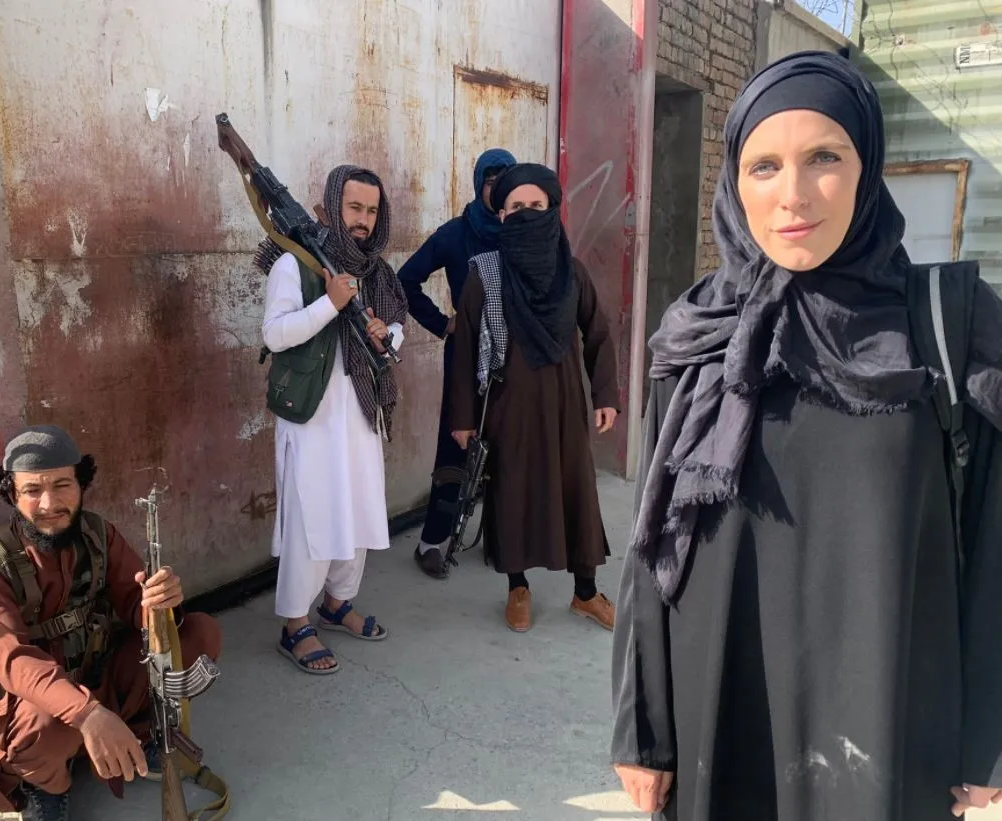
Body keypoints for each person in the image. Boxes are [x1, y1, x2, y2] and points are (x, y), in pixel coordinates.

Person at [610, 51, 1002, 820]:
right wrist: (641, 729)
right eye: (763, 166)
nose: (791, 194)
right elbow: (653, 541)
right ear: (734, 183)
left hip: (889, 715)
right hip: (716, 707)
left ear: (867, 167)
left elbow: (994, 538)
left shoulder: (948, 322)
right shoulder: (697, 335)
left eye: (823, 157)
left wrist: (985, 737)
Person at [0, 425, 223, 821]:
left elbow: (137, 605)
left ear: (81, 484)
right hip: (40, 702)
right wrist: (88, 713)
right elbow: (15, 663)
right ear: (11, 494)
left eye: (62, 485)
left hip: (99, 673)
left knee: (197, 634)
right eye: (32, 490)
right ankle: (46, 786)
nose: (49, 503)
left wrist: (161, 604)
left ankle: (137, 735)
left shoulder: (96, 534)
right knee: (39, 722)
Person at [448, 162, 620, 633]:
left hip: (565, 406)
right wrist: (463, 418)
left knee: (577, 491)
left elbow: (598, 333)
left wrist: (605, 394)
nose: (527, 213)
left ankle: (586, 592)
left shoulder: (572, 273)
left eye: (536, 205)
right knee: (512, 494)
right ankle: (518, 587)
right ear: (502, 215)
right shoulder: (485, 274)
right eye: (516, 206)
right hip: (508, 406)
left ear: (552, 211)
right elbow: (464, 349)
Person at [257, 164, 409, 674]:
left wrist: (388, 336)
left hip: (362, 410)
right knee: (312, 519)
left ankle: (337, 603)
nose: (363, 220)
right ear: (332, 206)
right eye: (354, 208)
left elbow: (397, 323)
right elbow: (275, 335)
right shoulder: (296, 263)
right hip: (312, 416)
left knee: (359, 510)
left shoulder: (378, 271)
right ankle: (294, 624)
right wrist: (330, 304)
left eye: (372, 210)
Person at [397, 148, 517, 578]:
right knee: (456, 445)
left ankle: (500, 539)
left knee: (507, 446)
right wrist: (443, 323)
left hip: (512, 357)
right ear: (480, 183)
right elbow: (405, 281)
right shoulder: (455, 234)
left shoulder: (521, 233)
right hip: (466, 355)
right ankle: (432, 541)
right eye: (492, 182)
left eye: (505, 184)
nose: (497, 192)